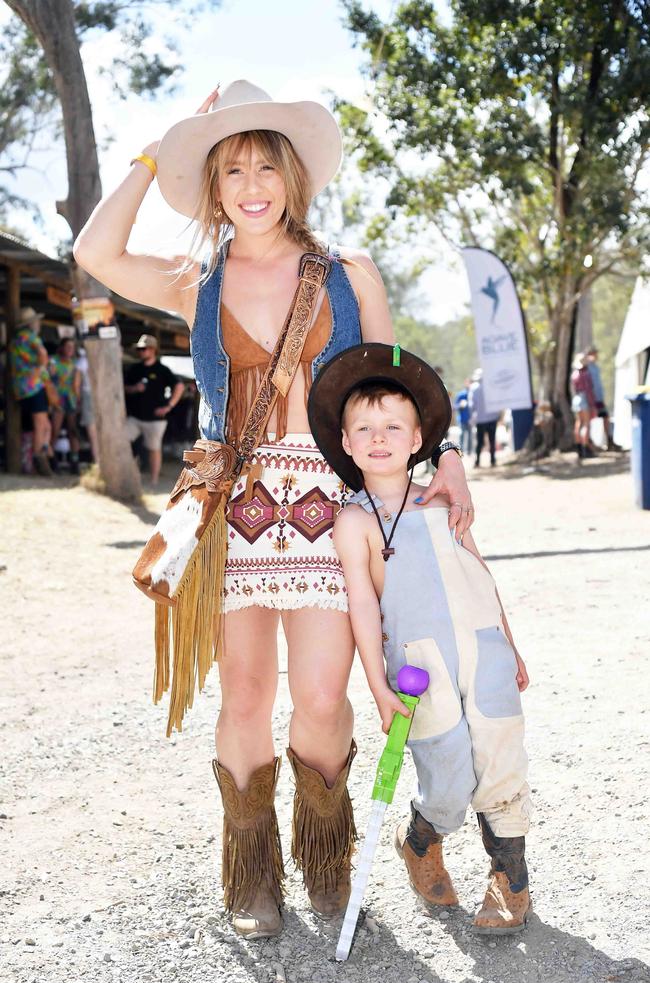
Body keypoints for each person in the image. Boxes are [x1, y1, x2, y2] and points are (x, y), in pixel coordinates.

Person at [73, 79, 474, 939]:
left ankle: (329, 866)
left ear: (293, 175)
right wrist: (163, 147)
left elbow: (395, 385)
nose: (251, 185)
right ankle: (252, 876)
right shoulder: (198, 280)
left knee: (325, 697)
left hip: (329, 507)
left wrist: (444, 461)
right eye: (229, 170)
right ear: (213, 187)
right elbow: (95, 250)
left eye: (266, 166)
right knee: (246, 695)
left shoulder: (348, 272)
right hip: (236, 508)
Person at [308, 343, 532, 935]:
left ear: (417, 440)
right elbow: (361, 602)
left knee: (501, 752)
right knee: (449, 773)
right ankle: (422, 836)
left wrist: (511, 643)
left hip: (483, 645)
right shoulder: (353, 521)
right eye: (365, 428)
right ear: (347, 443)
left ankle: (510, 877)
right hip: (419, 667)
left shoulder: (440, 497)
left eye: (393, 427)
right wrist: (378, 687)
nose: (379, 437)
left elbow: (478, 569)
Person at [124, 334, 185, 485]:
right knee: (121, 441)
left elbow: (180, 386)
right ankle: (130, 474)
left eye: (144, 349)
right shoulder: (134, 368)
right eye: (139, 349)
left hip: (155, 419)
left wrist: (169, 406)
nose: (141, 352)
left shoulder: (162, 370)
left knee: (153, 449)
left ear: (152, 350)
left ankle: (154, 480)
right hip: (135, 417)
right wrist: (134, 388)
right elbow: (124, 388)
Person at [9, 307, 53, 476]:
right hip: (33, 385)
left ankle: (41, 456)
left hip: (20, 388)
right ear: (32, 322)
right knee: (41, 423)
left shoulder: (16, 339)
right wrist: (42, 368)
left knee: (42, 424)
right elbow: (43, 353)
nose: (39, 323)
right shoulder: (30, 336)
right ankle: (38, 458)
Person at [49, 337, 82, 474]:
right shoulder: (54, 361)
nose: (70, 349)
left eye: (72, 347)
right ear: (61, 347)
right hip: (58, 399)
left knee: (73, 431)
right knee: (55, 431)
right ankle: (51, 460)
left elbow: (77, 385)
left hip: (71, 399)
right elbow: (50, 379)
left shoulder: (75, 363)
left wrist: (79, 399)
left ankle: (74, 461)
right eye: (67, 346)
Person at [585, 346, 620, 451]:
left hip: (599, 399)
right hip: (591, 399)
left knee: (606, 418)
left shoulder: (595, 367)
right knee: (588, 421)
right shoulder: (586, 368)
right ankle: (589, 443)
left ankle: (610, 441)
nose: (596, 356)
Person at [468, 368, 500, 468]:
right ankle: (493, 460)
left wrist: (473, 416)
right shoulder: (492, 386)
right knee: (492, 440)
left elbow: (471, 405)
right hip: (492, 417)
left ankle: (477, 462)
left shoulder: (473, 388)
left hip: (480, 419)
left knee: (480, 441)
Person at [569, 352, 596, 460]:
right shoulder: (586, 374)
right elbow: (589, 390)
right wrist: (592, 403)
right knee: (585, 424)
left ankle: (579, 448)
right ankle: (585, 449)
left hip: (576, 399)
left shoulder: (574, 374)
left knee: (578, 423)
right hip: (584, 398)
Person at [76, 347, 99, 464]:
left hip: (88, 395)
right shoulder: (102, 357)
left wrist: (78, 401)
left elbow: (76, 384)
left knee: (93, 433)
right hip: (103, 395)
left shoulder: (82, 362)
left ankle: (97, 462)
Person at [454, 378, 472, 454]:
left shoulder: (473, 393)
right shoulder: (461, 394)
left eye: (469, 383)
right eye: (467, 383)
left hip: (471, 419)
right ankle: (461, 451)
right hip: (462, 419)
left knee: (470, 436)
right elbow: (455, 406)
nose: (468, 384)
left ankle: (469, 451)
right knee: (462, 436)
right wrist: (460, 405)